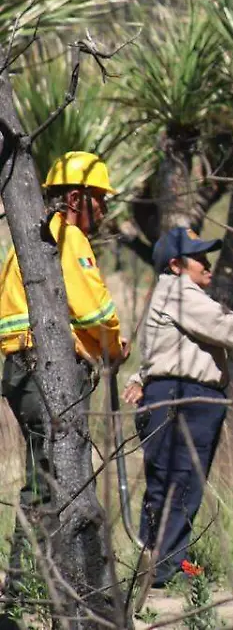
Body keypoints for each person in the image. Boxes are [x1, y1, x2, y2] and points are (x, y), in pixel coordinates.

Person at [122, 227, 233, 587]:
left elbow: (161, 350)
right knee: (180, 482)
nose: (207, 263)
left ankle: (161, 562)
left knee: (170, 482)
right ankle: (165, 567)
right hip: (185, 400)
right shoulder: (180, 292)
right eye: (199, 257)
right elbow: (221, 325)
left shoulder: (170, 294)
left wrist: (139, 377)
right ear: (176, 264)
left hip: (178, 396)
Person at [0, 151, 125, 598]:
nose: (104, 211)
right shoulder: (66, 237)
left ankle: (30, 583)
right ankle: (25, 589)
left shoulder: (28, 237)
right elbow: (94, 309)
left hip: (21, 371)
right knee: (53, 478)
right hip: (46, 373)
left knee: (45, 474)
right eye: (99, 200)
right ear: (76, 197)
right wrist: (115, 345)